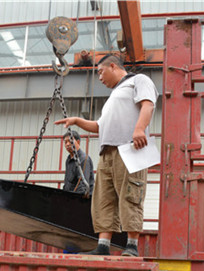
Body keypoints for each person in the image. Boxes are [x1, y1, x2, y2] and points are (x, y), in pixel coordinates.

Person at [55, 54, 158, 257]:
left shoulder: (139, 80)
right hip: (107, 152)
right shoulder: (114, 96)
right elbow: (99, 126)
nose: (100, 78)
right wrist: (77, 120)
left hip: (129, 148)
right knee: (104, 199)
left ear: (113, 66)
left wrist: (139, 128)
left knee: (131, 194)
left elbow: (148, 104)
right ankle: (103, 244)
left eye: (101, 72)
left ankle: (131, 246)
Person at [63, 130, 95, 195]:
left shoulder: (84, 159)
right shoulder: (68, 159)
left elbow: (83, 186)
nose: (67, 144)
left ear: (78, 142)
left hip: (80, 199)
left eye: (70, 141)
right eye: (65, 142)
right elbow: (67, 182)